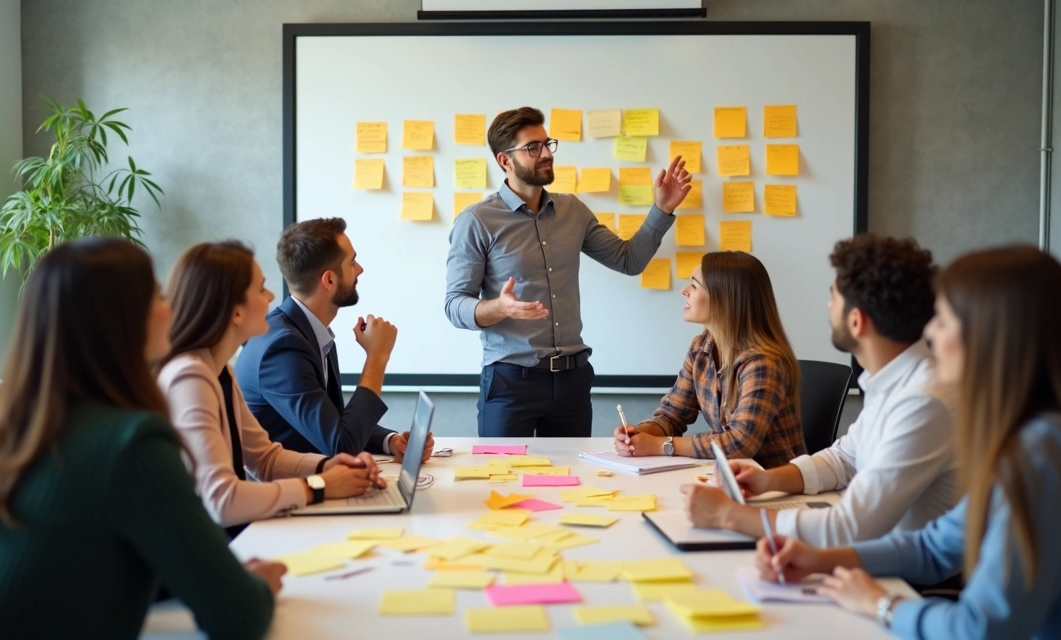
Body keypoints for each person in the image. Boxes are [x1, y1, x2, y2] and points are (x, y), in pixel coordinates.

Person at [753, 246, 1061, 639]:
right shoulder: (1029, 437)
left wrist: (880, 603)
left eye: (942, 320)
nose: (929, 333)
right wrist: (820, 559)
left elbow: (979, 629)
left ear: (990, 336)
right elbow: (934, 547)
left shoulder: (1042, 456)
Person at [0, 238, 282, 640]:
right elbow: (239, 617)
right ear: (122, 320)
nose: (170, 308)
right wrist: (257, 586)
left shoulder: (12, 437)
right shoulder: (130, 444)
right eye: (157, 295)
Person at [681, 235, 957, 546]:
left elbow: (851, 527)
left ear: (856, 321)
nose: (828, 306)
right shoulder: (893, 381)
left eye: (833, 297)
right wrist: (769, 479)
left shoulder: (923, 401)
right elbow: (844, 460)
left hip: (898, 566)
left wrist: (728, 515)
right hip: (877, 552)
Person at [445, 106, 693, 438]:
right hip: (510, 381)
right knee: (503, 468)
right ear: (505, 160)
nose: (547, 154)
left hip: (572, 381)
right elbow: (455, 305)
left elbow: (628, 261)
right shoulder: (477, 221)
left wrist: (662, 209)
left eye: (547, 144)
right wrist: (499, 307)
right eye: (533, 147)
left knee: (571, 472)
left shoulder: (572, 210)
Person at [158, 241, 387, 538]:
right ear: (236, 312)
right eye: (260, 288)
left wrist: (327, 466)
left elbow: (264, 458)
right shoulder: (190, 378)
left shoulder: (219, 370)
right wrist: (320, 485)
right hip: (203, 544)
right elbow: (222, 500)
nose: (270, 297)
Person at [236, 218, 434, 460]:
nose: (360, 269)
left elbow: (334, 422)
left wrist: (390, 441)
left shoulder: (307, 331)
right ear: (329, 280)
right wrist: (377, 357)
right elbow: (342, 445)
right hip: (285, 482)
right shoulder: (283, 348)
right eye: (352, 262)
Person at [613, 251, 805, 468]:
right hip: (731, 476)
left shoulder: (762, 362)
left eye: (694, 286)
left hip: (771, 481)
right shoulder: (701, 348)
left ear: (724, 299)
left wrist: (661, 445)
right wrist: (638, 434)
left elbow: (740, 443)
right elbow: (672, 415)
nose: (684, 291)